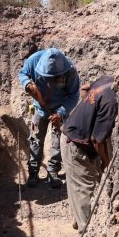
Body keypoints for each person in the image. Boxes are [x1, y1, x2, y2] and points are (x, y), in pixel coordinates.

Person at [60, 75, 118, 234]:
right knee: (83, 188)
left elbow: (85, 88)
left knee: (75, 184)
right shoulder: (110, 104)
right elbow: (96, 140)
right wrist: (106, 162)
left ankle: (78, 222)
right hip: (75, 143)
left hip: (70, 134)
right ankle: (87, 233)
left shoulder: (106, 81)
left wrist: (88, 113)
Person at [19, 48, 80, 188]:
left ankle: (53, 171)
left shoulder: (70, 71)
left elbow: (74, 95)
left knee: (57, 141)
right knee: (35, 140)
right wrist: (27, 83)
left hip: (60, 109)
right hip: (40, 109)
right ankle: (33, 172)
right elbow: (22, 74)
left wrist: (61, 113)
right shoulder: (34, 60)